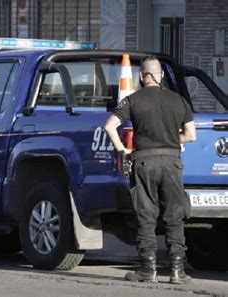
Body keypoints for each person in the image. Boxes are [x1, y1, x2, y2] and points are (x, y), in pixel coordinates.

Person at [105, 56, 196, 284]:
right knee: (175, 216)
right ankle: (177, 271)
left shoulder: (133, 100)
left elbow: (109, 126)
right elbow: (191, 135)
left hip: (144, 162)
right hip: (172, 162)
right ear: (161, 75)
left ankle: (148, 269)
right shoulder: (179, 101)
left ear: (141, 76)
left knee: (146, 216)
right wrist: (171, 140)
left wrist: (122, 150)